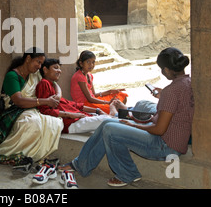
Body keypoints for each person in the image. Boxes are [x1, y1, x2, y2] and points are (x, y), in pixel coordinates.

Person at [59, 47, 194, 187]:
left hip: (165, 145)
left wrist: (133, 125)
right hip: (171, 137)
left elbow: (159, 129)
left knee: (110, 129)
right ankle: (80, 164)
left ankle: (127, 173)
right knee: (108, 123)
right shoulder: (188, 82)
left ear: (166, 70)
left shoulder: (171, 91)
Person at [0, 48, 63, 168]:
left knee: (55, 122)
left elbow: (54, 84)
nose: (40, 66)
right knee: (32, 123)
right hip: (13, 112)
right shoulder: (12, 76)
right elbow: (19, 101)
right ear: (28, 59)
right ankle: (9, 153)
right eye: (38, 62)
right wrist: (45, 101)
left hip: (32, 109)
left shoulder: (35, 75)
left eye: (41, 63)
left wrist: (57, 96)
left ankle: (38, 155)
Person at [36, 58, 111, 134]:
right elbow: (44, 111)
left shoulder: (53, 86)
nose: (59, 71)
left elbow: (74, 105)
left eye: (59, 68)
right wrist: (71, 115)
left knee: (108, 118)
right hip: (71, 123)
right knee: (108, 120)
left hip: (77, 117)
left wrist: (97, 110)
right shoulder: (44, 83)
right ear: (45, 70)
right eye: (55, 68)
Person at [70, 50, 128, 115]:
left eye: (93, 62)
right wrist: (107, 102)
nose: (91, 65)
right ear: (81, 63)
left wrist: (109, 91)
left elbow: (94, 94)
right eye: (88, 62)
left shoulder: (89, 75)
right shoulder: (79, 77)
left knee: (121, 95)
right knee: (113, 107)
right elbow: (90, 99)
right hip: (85, 105)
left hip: (92, 100)